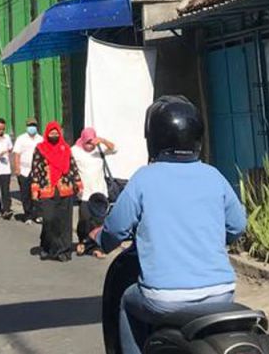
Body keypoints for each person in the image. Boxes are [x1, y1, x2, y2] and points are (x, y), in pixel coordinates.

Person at [93, 97, 246, 353]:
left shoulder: (144, 179)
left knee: (126, 302)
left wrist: (100, 240)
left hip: (164, 299)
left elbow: (115, 230)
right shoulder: (214, 176)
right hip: (222, 293)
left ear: (154, 139)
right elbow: (237, 226)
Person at [30, 121, 82, 261]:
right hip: (47, 189)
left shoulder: (65, 148)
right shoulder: (40, 149)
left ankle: (63, 251)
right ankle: (47, 247)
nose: (54, 135)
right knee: (49, 219)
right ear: (47, 133)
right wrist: (35, 188)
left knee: (64, 222)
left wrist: (78, 183)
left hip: (65, 189)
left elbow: (72, 167)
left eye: (56, 132)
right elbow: (35, 170)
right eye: (51, 132)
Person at [72, 127, 116, 257]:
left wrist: (102, 141)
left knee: (99, 222)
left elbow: (114, 148)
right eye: (87, 142)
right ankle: (82, 242)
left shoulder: (99, 149)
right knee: (85, 220)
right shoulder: (75, 151)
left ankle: (97, 247)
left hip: (100, 192)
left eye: (92, 143)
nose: (90, 146)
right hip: (85, 193)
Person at [12, 117, 41, 222]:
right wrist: (17, 168)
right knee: (25, 193)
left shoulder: (40, 139)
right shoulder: (21, 139)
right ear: (27, 127)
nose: (32, 127)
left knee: (37, 193)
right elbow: (17, 154)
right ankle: (28, 214)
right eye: (30, 126)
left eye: (34, 125)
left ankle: (37, 214)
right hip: (24, 170)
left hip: (37, 170)